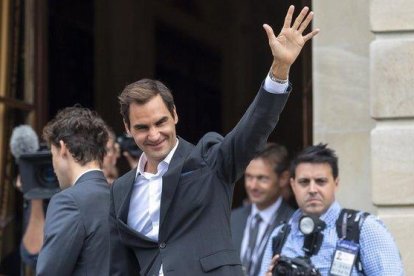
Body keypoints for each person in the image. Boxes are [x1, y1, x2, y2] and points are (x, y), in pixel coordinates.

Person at [109, 5, 319, 275]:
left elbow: (251, 132)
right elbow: (120, 264)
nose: (154, 134)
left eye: (161, 122)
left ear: (175, 115)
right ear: (127, 128)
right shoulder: (121, 189)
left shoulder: (208, 159)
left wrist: (280, 68)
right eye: (142, 127)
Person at [259, 144, 405, 276]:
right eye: (304, 182)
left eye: (320, 181)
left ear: (336, 183)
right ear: (293, 185)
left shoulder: (364, 228)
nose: (312, 190)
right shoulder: (280, 235)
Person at [36, 107, 110, 276]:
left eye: (52, 154)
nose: (53, 167)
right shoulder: (120, 196)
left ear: (62, 148)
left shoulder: (68, 201)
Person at [231, 143, 296, 276]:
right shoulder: (231, 219)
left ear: (283, 178)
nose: (252, 186)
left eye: (262, 178)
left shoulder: (294, 223)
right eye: (248, 177)